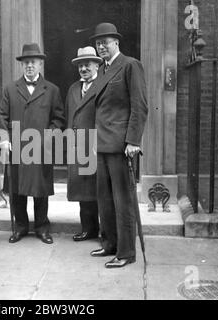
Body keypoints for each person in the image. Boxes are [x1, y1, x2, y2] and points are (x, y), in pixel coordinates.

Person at [89, 23, 148, 268]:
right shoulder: (103, 69)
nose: (101, 46)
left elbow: (140, 105)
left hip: (121, 145)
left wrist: (133, 140)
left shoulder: (129, 65)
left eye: (106, 42)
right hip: (103, 143)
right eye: (98, 43)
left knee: (123, 201)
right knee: (105, 199)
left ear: (117, 43)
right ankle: (110, 243)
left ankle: (126, 252)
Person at [0, 43, 65, 244]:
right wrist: (4, 139)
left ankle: (42, 227)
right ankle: (20, 227)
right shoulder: (10, 89)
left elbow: (59, 119)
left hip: (41, 148)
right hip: (17, 147)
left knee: (40, 190)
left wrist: (48, 137)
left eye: (33, 62)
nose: (29, 66)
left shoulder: (52, 90)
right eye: (26, 62)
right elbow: (1, 115)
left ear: (40, 64)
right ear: (22, 65)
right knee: (17, 191)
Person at [65, 47, 101, 241]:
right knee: (82, 190)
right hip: (77, 146)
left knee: (99, 190)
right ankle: (88, 229)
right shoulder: (73, 88)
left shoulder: (103, 85)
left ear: (97, 64)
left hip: (95, 146)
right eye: (80, 65)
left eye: (87, 64)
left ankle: (104, 230)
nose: (84, 68)